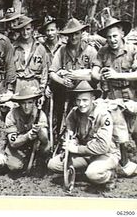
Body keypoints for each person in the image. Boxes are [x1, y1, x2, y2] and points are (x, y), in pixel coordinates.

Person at [47, 81, 120, 189]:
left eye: (85, 100)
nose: (81, 104)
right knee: (53, 164)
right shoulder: (74, 113)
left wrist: (76, 149)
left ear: (93, 98)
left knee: (93, 174)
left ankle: (110, 175)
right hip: (85, 154)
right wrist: (71, 141)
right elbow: (71, 134)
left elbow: (103, 147)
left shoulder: (102, 115)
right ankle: (86, 170)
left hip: (106, 154)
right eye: (78, 100)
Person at [91, 17, 137, 177]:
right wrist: (99, 76)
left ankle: (130, 160)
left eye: (115, 36)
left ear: (122, 33)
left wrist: (117, 75)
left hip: (131, 94)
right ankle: (122, 163)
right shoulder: (103, 51)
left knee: (133, 129)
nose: (112, 40)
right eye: (109, 37)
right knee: (118, 131)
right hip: (111, 95)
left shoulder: (132, 49)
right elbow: (95, 71)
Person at [49, 18, 98, 133]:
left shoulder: (90, 51)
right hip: (66, 93)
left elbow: (96, 75)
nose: (73, 37)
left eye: (76, 34)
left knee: (85, 122)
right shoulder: (62, 51)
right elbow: (52, 72)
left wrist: (81, 76)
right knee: (65, 122)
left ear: (81, 33)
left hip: (85, 95)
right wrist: (62, 81)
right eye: (70, 35)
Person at [5, 86, 50, 172]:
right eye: (23, 103)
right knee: (14, 166)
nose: (26, 106)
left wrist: (39, 131)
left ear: (34, 103)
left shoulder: (40, 114)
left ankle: (39, 161)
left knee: (47, 148)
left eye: (30, 103)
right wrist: (27, 136)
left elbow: (45, 140)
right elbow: (13, 142)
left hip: (34, 146)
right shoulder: (11, 115)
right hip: (18, 146)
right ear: (19, 103)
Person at [12, 16, 49, 94]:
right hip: (18, 85)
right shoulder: (13, 48)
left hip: (34, 85)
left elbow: (44, 70)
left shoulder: (40, 48)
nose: (25, 33)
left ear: (32, 28)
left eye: (28, 29)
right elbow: (9, 70)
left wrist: (42, 89)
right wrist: (10, 90)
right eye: (22, 30)